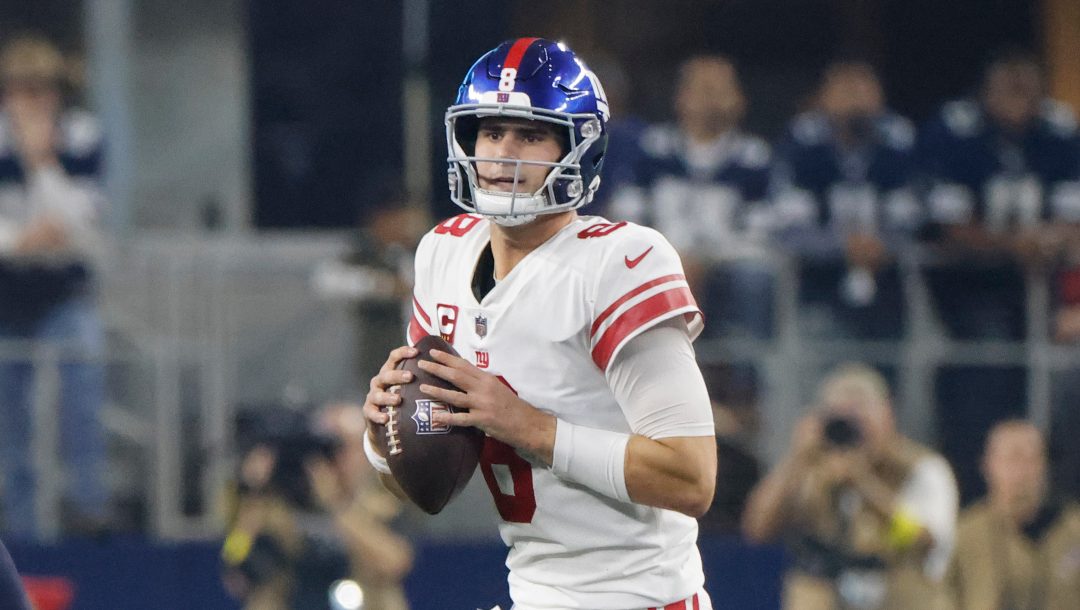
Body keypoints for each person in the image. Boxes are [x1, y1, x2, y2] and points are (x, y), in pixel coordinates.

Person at [362, 38, 718, 610]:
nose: (504, 153)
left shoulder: (618, 264)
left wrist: (531, 427)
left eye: (530, 134)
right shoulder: (443, 255)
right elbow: (419, 484)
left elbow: (692, 478)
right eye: (491, 132)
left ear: (577, 149)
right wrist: (384, 436)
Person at [917, 49, 1080, 503]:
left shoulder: (1060, 131)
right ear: (985, 88)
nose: (1018, 95)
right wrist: (1014, 246)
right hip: (968, 296)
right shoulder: (955, 131)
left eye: (1027, 82)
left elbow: (1073, 222)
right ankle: (976, 494)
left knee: (1062, 388)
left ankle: (1059, 497)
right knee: (982, 381)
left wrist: (1046, 242)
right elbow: (944, 226)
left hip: (1045, 295)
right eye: (1007, 83)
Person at [0, 34, 108, 539]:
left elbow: (80, 220)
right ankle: (19, 526)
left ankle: (86, 508)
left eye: (41, 89)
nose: (31, 100)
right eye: (21, 90)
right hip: (7, 296)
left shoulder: (81, 136)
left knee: (83, 387)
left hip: (64, 291)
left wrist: (42, 161)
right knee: (9, 412)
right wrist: (23, 239)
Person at [742, 363, 958, 610]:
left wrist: (863, 484)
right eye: (842, 420)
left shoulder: (923, 469)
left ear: (887, 414)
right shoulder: (817, 470)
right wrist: (796, 458)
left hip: (899, 598)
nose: (854, 432)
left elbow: (924, 541)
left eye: (860, 418)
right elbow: (757, 529)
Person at [606, 54, 774, 340]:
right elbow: (626, 214)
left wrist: (707, 261)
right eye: (702, 90)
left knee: (755, 279)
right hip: (655, 263)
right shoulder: (653, 149)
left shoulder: (753, 158)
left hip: (727, 267)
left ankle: (743, 370)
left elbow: (761, 231)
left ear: (739, 100)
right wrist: (669, 258)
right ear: (681, 98)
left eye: (720, 90)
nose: (711, 100)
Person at [772, 59, 919, 341]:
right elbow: (787, 224)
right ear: (823, 96)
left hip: (889, 286)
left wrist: (883, 244)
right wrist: (841, 245)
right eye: (846, 87)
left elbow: (916, 215)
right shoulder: (802, 143)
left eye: (864, 86)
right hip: (818, 287)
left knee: (886, 376)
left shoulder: (898, 141)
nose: (856, 97)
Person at [221, 403, 413, 610]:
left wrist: (335, 505)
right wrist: (255, 493)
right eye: (324, 449)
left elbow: (395, 563)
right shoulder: (276, 506)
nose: (332, 459)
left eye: (340, 447)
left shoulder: (383, 504)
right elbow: (235, 565)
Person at [948, 420, 1080, 609]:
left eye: (1032, 459)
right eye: (1012, 459)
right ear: (988, 466)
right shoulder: (966, 536)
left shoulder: (1073, 530)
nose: (1023, 472)